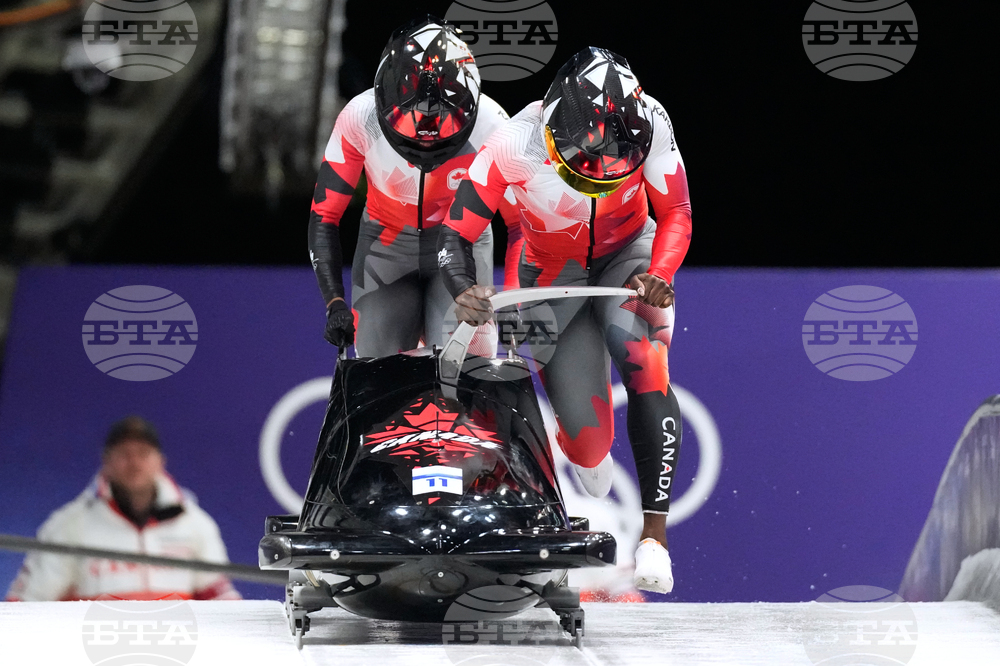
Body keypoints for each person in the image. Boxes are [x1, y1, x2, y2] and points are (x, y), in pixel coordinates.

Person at [438, 47, 692, 593]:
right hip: (550, 274)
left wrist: (661, 271)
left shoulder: (653, 119)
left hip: (629, 258)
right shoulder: (513, 143)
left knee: (645, 362)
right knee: (588, 445)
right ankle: (582, 451)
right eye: (589, 165)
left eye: (615, 167)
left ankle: (654, 538)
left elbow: (676, 211)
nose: (600, 177)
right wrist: (462, 289)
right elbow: (454, 235)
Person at [309, 15, 518, 357]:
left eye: (440, 122)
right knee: (379, 370)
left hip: (458, 246)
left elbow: (519, 223)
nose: (425, 140)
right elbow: (324, 217)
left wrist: (514, 300)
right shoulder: (359, 117)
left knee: (465, 368)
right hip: (387, 251)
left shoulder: (494, 126)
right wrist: (334, 302)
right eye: (412, 118)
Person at [5, 416, 241, 601]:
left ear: (161, 461)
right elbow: (25, 604)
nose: (134, 463)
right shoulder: (69, 524)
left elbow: (219, 598)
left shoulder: (194, 523)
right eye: (124, 454)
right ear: (106, 461)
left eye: (143, 453)